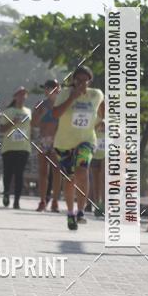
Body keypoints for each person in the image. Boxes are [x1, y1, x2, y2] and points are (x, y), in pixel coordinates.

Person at [52, 66, 105, 231]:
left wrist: (102, 120)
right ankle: (70, 212)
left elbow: (103, 109)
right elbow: (56, 114)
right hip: (64, 143)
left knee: (82, 171)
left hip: (86, 140)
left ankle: (81, 211)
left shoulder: (95, 94)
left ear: (90, 81)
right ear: (73, 80)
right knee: (70, 179)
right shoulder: (65, 93)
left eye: (85, 80)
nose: (82, 83)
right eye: (78, 80)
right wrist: (72, 98)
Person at [31, 79, 61, 212]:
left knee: (56, 171)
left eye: (50, 88)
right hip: (43, 140)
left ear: (57, 89)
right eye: (46, 88)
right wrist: (41, 114)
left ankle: (55, 201)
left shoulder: (62, 104)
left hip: (58, 140)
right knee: (43, 172)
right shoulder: (40, 104)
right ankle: (42, 200)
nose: (47, 90)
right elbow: (33, 123)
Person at [0, 87, 32, 209]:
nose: (22, 97)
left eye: (24, 94)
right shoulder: (8, 111)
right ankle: (6, 193)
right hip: (9, 147)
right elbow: (2, 129)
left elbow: (31, 128)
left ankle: (17, 201)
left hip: (24, 147)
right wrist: (13, 122)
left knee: (19, 174)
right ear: (15, 96)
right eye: (20, 94)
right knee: (8, 173)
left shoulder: (28, 111)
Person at [90, 120, 106, 217]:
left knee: (104, 178)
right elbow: (89, 131)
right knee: (96, 181)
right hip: (95, 153)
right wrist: (98, 124)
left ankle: (104, 204)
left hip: (106, 154)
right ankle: (97, 205)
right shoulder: (95, 117)